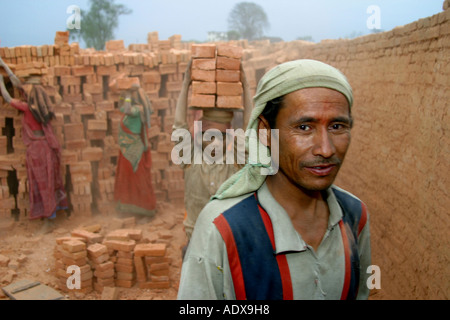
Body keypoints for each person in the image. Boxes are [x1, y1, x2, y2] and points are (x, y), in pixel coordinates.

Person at [177, 59, 371, 300]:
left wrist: (243, 84)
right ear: (265, 133)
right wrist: (187, 83)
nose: (326, 149)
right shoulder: (222, 226)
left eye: (337, 126)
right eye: (304, 127)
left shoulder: (355, 216)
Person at [173, 60, 253, 243]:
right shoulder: (190, 158)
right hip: (196, 238)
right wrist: (186, 84)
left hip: (228, 239)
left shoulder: (235, 162)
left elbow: (250, 129)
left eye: (218, 136)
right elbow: (179, 125)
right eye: (206, 134)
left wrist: (245, 85)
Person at [0, 57, 68, 231]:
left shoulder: (28, 107)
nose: (25, 90)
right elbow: (18, 84)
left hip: (38, 150)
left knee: (42, 183)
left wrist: (0, 81)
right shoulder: (40, 105)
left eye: (28, 88)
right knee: (50, 181)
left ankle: (49, 219)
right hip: (46, 148)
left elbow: (8, 98)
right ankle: (56, 212)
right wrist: (4, 65)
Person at [113, 83, 157, 217]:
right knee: (126, 178)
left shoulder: (138, 109)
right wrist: (123, 94)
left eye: (131, 95)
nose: (129, 97)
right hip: (126, 148)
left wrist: (127, 96)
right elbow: (122, 107)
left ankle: (145, 211)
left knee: (137, 180)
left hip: (134, 150)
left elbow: (126, 110)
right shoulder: (131, 108)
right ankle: (128, 209)